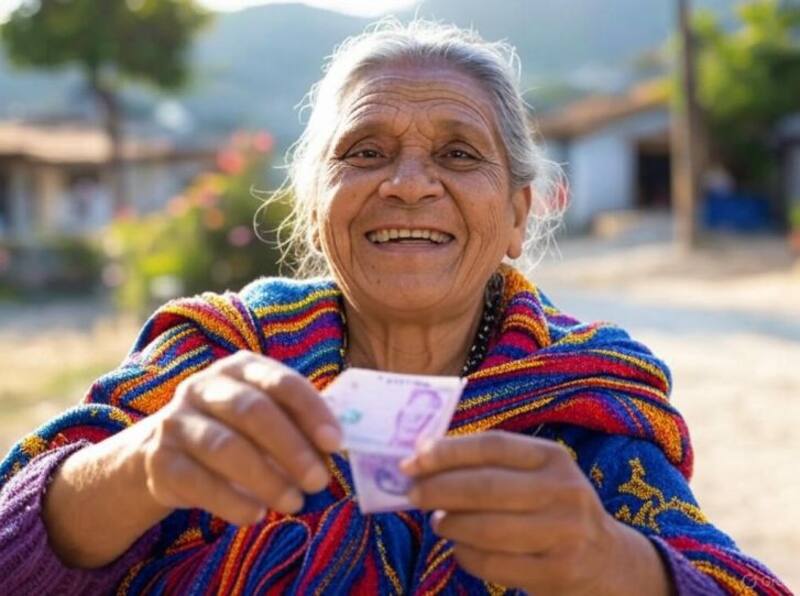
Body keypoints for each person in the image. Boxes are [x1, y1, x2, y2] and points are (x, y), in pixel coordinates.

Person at [0, 20, 789, 595]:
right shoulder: (214, 358)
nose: (409, 184)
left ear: (517, 216)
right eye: (366, 152)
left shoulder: (584, 404)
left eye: (458, 154)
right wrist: (140, 464)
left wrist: (609, 562)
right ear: (315, 209)